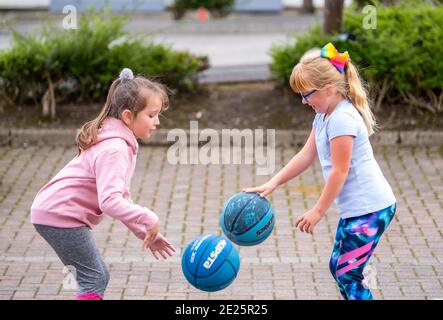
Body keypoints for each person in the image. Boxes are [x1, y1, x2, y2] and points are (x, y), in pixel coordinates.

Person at [244, 43, 397, 300]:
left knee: (347, 273)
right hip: (357, 209)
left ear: (328, 89)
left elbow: (340, 171)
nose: (303, 101)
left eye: (306, 94)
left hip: (371, 209)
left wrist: (317, 211)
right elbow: (306, 155)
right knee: (338, 268)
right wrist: (273, 183)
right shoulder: (324, 115)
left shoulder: (342, 119)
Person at [31, 68, 175, 300]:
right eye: (152, 115)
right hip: (59, 214)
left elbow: (121, 198)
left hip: (54, 211)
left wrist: (145, 232)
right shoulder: (115, 148)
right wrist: (150, 218)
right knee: (95, 278)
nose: (157, 121)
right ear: (128, 116)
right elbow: (109, 202)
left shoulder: (118, 141)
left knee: (96, 276)